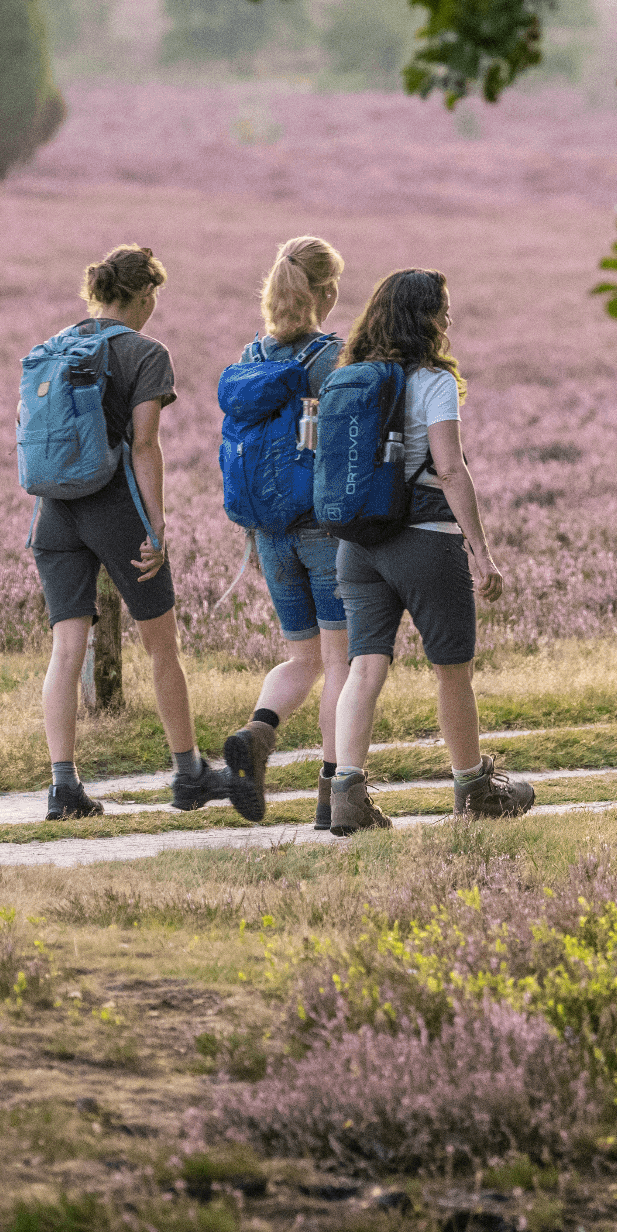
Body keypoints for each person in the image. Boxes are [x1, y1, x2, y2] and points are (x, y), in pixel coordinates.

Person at [325, 268, 536, 833]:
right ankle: (473, 789)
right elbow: (449, 467)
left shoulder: (350, 374)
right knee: (452, 670)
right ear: (423, 318)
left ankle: (346, 795)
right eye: (443, 309)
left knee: (363, 667)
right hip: (424, 540)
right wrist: (481, 550)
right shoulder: (431, 381)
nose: (449, 319)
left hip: (358, 545)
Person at [27, 244, 233, 820]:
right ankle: (188, 772)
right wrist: (157, 520)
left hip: (53, 510)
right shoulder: (147, 353)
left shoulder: (56, 345)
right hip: (116, 511)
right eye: (154, 298)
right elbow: (144, 444)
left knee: (66, 648)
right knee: (161, 643)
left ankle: (63, 787)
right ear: (143, 295)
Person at [218, 236, 351, 829]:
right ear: (325, 291)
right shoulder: (330, 358)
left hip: (268, 534)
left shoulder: (251, 358)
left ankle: (257, 733)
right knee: (341, 659)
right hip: (322, 527)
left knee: (301, 656)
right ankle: (333, 793)